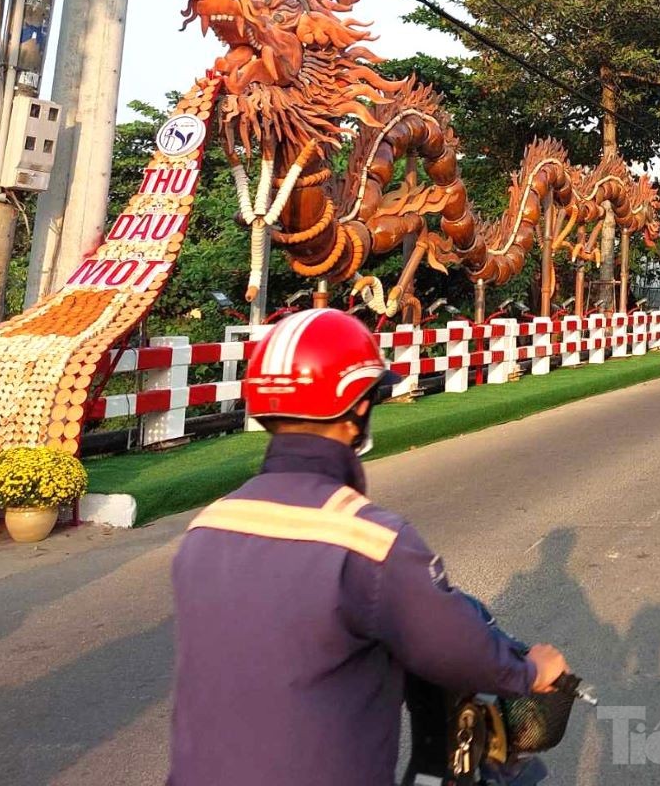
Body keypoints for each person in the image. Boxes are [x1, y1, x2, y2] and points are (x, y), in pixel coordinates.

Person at [168, 309, 568, 786]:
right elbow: (453, 646)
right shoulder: (369, 541)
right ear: (357, 407)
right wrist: (527, 671)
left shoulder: (206, 528)